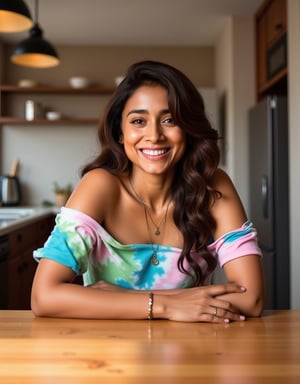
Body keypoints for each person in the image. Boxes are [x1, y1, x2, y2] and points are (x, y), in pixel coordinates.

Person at [31, 60, 264, 322]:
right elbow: (43, 296)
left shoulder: (212, 185)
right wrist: (167, 306)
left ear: (188, 130)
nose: (154, 135)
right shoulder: (100, 185)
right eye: (139, 121)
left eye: (169, 120)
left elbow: (251, 298)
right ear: (121, 132)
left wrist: (122, 297)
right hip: (106, 352)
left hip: (193, 350)